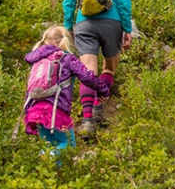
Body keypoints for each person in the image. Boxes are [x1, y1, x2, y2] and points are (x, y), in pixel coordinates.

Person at [62, 0, 132, 134]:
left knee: (88, 73)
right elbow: (124, 1)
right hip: (112, 23)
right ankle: (98, 106)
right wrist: (127, 29)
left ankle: (87, 120)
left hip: (85, 24)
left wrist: (68, 27)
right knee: (108, 68)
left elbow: (69, 0)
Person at [23, 25, 110, 159]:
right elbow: (86, 77)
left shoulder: (37, 60)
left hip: (35, 111)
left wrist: (27, 112)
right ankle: (52, 160)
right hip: (56, 110)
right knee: (67, 145)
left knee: (48, 145)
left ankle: (45, 166)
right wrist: (102, 89)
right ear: (63, 41)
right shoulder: (67, 58)